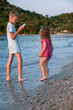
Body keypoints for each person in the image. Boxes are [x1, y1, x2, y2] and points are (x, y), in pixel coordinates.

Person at [6, 10, 26, 81]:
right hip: (14, 45)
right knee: (20, 60)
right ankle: (20, 77)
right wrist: (19, 30)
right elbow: (12, 37)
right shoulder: (11, 25)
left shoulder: (9, 25)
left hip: (11, 46)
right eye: (16, 19)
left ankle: (8, 77)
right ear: (11, 17)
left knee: (10, 60)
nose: (16, 21)